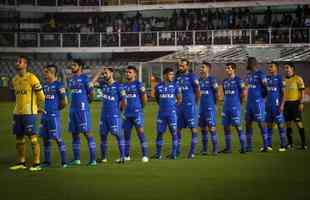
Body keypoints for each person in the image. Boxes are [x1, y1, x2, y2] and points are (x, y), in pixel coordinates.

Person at [9, 55, 45, 171]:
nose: (17, 63)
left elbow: (41, 96)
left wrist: (39, 107)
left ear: (25, 64)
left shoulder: (32, 78)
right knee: (19, 139)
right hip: (17, 113)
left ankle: (36, 163)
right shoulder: (14, 79)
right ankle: (22, 162)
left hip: (29, 113)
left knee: (33, 138)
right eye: (17, 61)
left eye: (20, 62)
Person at [92, 66, 127, 163]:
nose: (104, 75)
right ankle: (103, 158)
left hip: (114, 114)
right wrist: (99, 72)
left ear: (111, 73)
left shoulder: (119, 86)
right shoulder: (103, 84)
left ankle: (122, 157)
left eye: (105, 73)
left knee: (118, 134)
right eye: (103, 74)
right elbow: (91, 84)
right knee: (103, 135)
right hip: (104, 115)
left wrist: (121, 111)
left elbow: (124, 100)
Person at [68, 59, 96, 166]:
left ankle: (93, 160)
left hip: (82, 109)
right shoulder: (71, 79)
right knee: (74, 134)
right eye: (71, 65)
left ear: (80, 67)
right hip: (73, 109)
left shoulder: (85, 79)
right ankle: (76, 159)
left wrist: (88, 101)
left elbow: (91, 93)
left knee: (87, 133)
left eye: (74, 65)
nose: (72, 67)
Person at [40, 64, 68, 168]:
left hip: (53, 116)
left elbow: (65, 102)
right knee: (45, 138)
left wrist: (55, 110)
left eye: (46, 72)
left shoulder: (59, 85)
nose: (44, 75)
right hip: (45, 116)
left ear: (52, 72)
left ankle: (64, 162)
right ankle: (47, 162)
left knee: (57, 138)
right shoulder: (45, 85)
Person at [154, 67, 181, 160]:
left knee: (174, 133)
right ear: (165, 75)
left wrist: (173, 108)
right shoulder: (158, 86)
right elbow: (157, 98)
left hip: (172, 114)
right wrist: (162, 106)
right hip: (161, 114)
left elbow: (179, 99)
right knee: (159, 133)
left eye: (173, 75)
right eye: (170, 74)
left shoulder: (175, 86)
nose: (172, 76)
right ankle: (158, 154)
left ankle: (173, 154)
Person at [123, 65, 149, 163]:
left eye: (129, 72)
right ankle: (126, 155)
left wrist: (140, 108)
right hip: (126, 114)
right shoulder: (124, 85)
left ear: (135, 74)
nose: (127, 74)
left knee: (141, 133)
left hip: (137, 113)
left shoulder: (139, 84)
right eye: (126, 72)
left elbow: (144, 99)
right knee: (126, 135)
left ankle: (145, 155)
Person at [175, 59, 200, 159]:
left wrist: (196, 103)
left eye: (182, 66)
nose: (180, 67)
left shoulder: (192, 77)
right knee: (177, 129)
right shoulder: (176, 77)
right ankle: (177, 151)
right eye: (180, 66)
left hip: (189, 106)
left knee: (193, 129)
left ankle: (192, 152)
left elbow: (198, 91)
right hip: (179, 107)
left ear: (187, 66)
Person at [220, 63, 246, 154]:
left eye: (229, 68)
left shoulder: (238, 80)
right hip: (226, 106)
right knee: (226, 127)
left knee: (238, 126)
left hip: (235, 106)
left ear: (233, 69)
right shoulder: (225, 81)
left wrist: (240, 104)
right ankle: (228, 148)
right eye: (226, 68)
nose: (227, 70)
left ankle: (243, 147)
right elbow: (224, 92)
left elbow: (243, 92)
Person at [245, 57, 269, 152]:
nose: (247, 64)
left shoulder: (260, 74)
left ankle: (266, 145)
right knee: (248, 123)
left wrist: (262, 97)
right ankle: (249, 146)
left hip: (258, 102)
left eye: (249, 62)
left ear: (253, 63)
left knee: (261, 123)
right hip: (249, 103)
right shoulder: (248, 74)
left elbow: (265, 86)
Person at [283, 63, 307, 150]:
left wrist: (301, 103)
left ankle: (304, 144)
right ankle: (290, 144)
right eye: (285, 68)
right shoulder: (284, 80)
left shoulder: (298, 79)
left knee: (298, 123)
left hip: (295, 104)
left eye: (287, 68)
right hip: (286, 104)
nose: (286, 69)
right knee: (288, 125)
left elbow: (302, 92)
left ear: (292, 68)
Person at [198, 62, 219, 155]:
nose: (201, 69)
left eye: (203, 67)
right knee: (203, 128)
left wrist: (216, 105)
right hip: (201, 107)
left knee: (212, 127)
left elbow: (217, 93)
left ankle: (215, 148)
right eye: (201, 67)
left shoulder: (212, 80)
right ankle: (205, 149)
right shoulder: (199, 80)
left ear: (208, 69)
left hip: (209, 107)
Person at [265, 63, 287, 151]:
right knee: (269, 126)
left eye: (271, 66)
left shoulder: (280, 78)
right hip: (268, 106)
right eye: (269, 66)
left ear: (276, 68)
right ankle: (269, 145)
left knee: (280, 125)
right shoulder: (267, 78)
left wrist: (282, 105)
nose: (269, 68)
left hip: (277, 106)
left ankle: (283, 145)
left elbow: (284, 94)